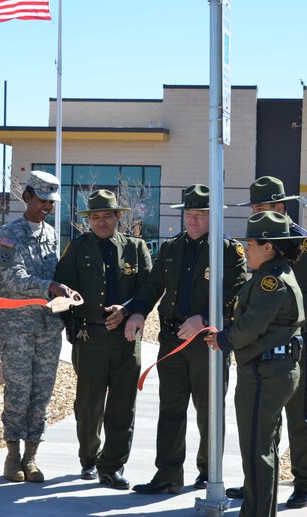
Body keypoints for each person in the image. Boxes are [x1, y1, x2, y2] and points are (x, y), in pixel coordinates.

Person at [124, 184, 247, 494]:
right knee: (170, 410)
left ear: (213, 217)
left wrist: (205, 318)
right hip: (172, 339)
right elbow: (153, 286)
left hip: (208, 342)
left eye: (200, 214)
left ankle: (209, 473)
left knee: (209, 412)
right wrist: (138, 313)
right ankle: (168, 474)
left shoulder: (229, 251)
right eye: (189, 214)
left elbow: (237, 294)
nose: (193, 220)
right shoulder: (171, 248)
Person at [226, 176, 307, 508]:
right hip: (267, 337)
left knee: (299, 410)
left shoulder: (305, 244)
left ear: (281, 208)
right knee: (263, 417)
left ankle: (305, 479)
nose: (256, 214)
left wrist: (258, 334)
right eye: (254, 208)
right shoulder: (261, 247)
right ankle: (259, 484)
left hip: (298, 335)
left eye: (263, 208)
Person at [205, 210, 306, 517]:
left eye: (250, 243)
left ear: (268, 247)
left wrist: (222, 340)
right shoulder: (272, 275)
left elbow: (251, 326)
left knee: (256, 450)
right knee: (264, 447)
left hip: (265, 372)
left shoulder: (271, 282)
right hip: (271, 369)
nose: (245, 248)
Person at [53, 189, 153, 490]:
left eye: (106, 216)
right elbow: (61, 288)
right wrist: (72, 327)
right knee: (88, 405)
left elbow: (149, 288)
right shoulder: (77, 247)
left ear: (117, 217)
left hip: (125, 338)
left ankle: (112, 466)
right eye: (95, 217)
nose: (100, 222)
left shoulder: (136, 248)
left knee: (123, 406)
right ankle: (89, 457)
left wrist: (129, 310)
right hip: (90, 337)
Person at [0, 170, 74, 483]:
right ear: (27, 196)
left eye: (51, 202)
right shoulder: (8, 235)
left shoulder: (52, 235)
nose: (47, 207)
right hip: (17, 329)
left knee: (42, 393)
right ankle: (12, 456)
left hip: (48, 327)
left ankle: (31, 456)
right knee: (18, 392)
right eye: (42, 200)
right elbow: (11, 279)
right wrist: (50, 286)